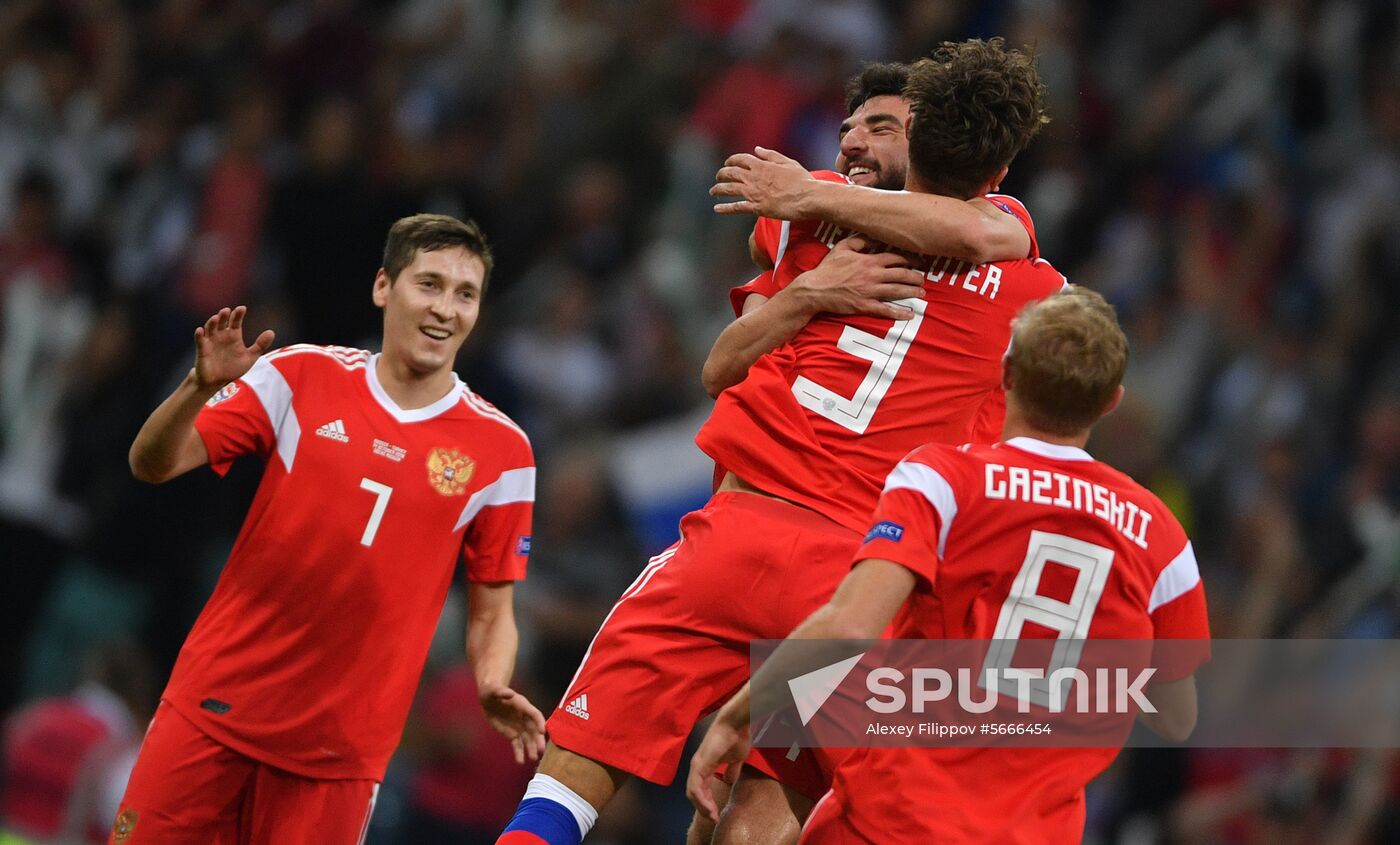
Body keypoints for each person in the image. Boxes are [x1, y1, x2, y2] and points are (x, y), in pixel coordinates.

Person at [495, 40, 1059, 845]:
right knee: (768, 809)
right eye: (849, 128)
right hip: (850, 582)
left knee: (579, 762)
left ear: (925, 140)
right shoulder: (1033, 285)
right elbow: (723, 364)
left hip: (737, 541)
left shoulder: (806, 215)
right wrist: (810, 292)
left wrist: (805, 210)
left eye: (884, 126)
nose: (854, 143)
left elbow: (961, 229)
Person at [688, 288, 1210, 844]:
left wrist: (736, 716)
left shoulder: (943, 480)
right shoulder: (1161, 536)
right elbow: (1177, 718)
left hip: (896, 816)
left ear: (1006, 374)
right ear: (1112, 401)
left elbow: (848, 627)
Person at [112, 214, 545, 843]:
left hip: (339, 758)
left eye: (465, 293)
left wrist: (490, 681)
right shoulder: (298, 376)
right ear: (382, 287)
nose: (445, 308)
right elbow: (151, 464)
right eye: (428, 284)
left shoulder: (504, 451)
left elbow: (491, 612)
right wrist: (195, 388)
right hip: (215, 707)